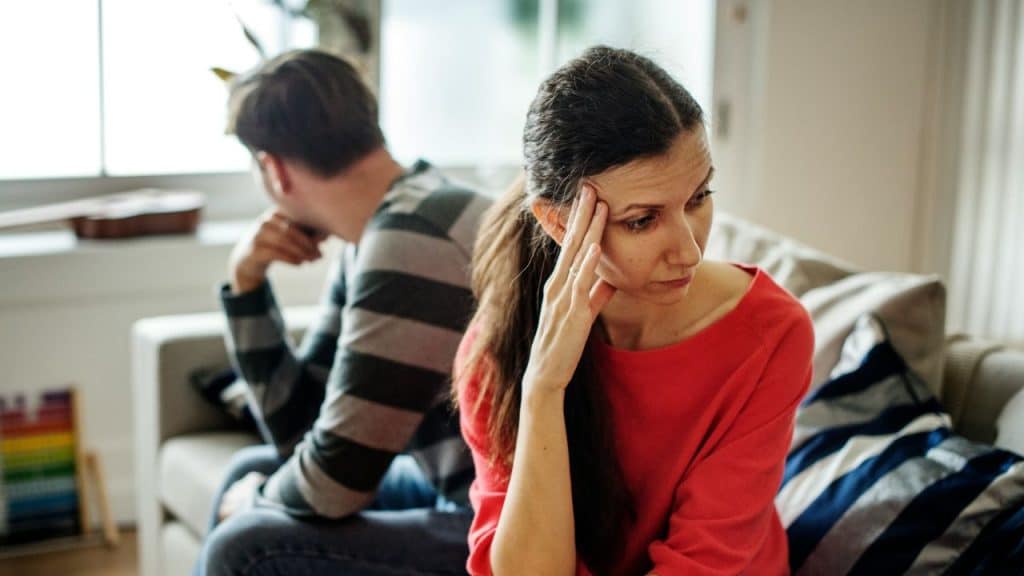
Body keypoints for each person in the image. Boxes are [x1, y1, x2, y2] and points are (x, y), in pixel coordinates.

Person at [454, 46, 814, 576]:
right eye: (643, 220)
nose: (690, 251)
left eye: (698, 198)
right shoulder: (498, 348)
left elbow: (702, 566)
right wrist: (544, 389)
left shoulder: (769, 334)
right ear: (558, 223)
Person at [196, 49, 491, 575]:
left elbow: (336, 484)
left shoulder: (409, 241)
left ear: (275, 169)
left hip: (511, 522)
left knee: (244, 548)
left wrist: (258, 500)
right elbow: (301, 430)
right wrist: (245, 286)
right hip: (470, 492)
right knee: (252, 467)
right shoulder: (397, 216)